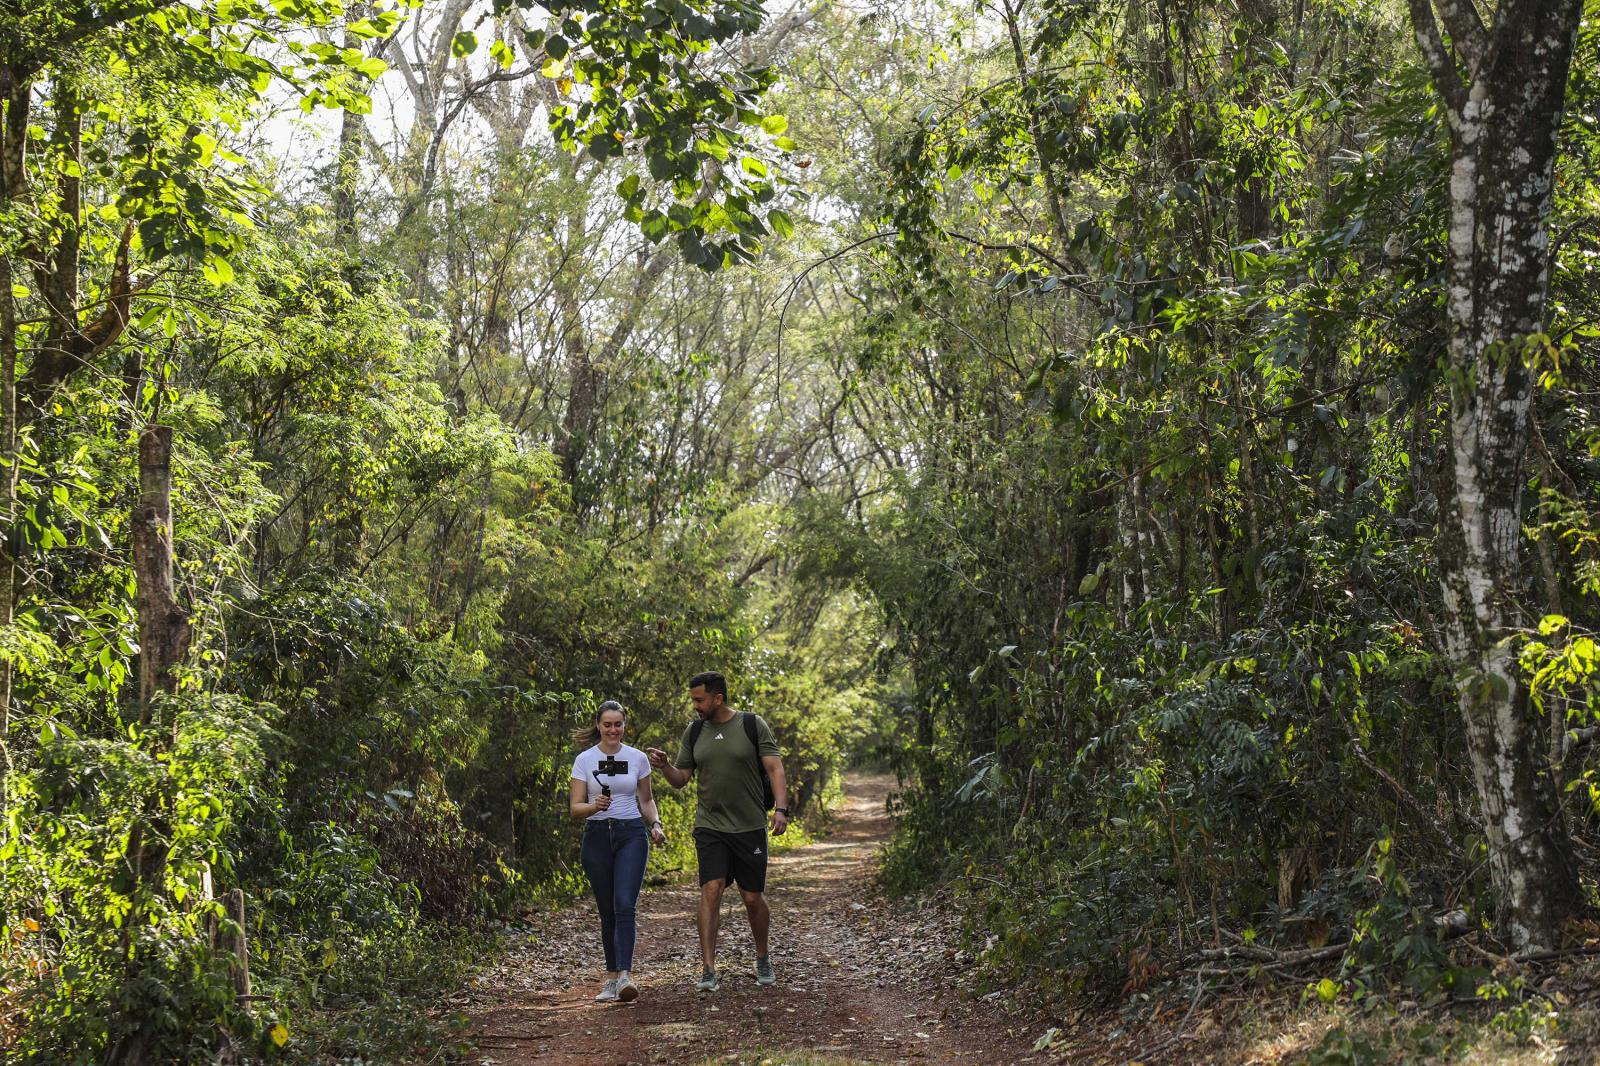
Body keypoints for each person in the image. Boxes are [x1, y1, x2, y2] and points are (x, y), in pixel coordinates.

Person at [646, 671, 789, 992]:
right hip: (710, 825)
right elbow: (681, 778)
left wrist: (781, 809)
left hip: (750, 825)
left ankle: (763, 957)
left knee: (752, 898)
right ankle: (708, 967)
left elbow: (774, 768)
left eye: (699, 699)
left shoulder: (752, 725)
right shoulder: (694, 732)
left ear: (718, 698)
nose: (695, 706)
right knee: (711, 888)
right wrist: (667, 765)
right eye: (693, 700)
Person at [569, 700, 667, 1003]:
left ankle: (625, 976)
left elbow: (646, 799)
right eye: (607, 724)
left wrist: (656, 824)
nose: (613, 729)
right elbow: (575, 808)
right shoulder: (584, 760)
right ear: (598, 725)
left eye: (618, 724)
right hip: (597, 836)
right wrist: (593, 806)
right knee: (607, 910)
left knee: (624, 903)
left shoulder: (637, 758)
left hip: (631, 835)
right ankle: (611, 978)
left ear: (624, 726)